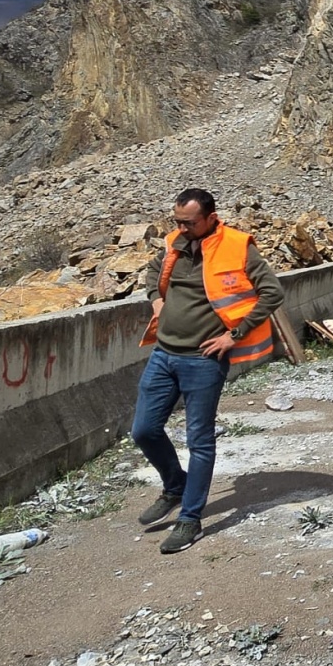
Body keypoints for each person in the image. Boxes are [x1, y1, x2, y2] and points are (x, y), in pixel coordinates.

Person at [133, 188, 285, 554]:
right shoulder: (174, 242)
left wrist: (234, 335)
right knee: (143, 430)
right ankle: (175, 485)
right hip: (164, 354)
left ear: (210, 217)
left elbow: (272, 292)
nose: (181, 228)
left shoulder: (236, 246)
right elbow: (153, 276)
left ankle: (190, 519)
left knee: (199, 440)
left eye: (188, 222)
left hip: (203, 360)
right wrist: (156, 302)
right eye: (177, 221)